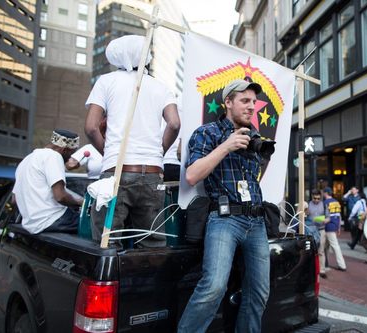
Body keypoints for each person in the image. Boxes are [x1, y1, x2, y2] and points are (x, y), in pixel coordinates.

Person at [178, 79, 269, 332]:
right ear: (228, 102)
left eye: (254, 102)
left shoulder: (254, 137)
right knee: (214, 287)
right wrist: (227, 145)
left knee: (259, 292)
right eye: (245, 101)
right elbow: (192, 176)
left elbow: (254, 180)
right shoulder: (207, 133)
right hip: (224, 219)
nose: (252, 107)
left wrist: (264, 154)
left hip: (257, 221)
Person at [84, 35, 180, 242]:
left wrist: (109, 152)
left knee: (108, 242)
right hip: (153, 174)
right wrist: (159, 152)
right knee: (152, 243)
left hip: (117, 173)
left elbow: (91, 127)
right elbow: (174, 124)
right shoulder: (161, 87)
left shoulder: (106, 82)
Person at [12, 130, 83, 234]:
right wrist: (81, 202)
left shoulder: (26, 160)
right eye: (71, 153)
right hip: (54, 219)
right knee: (95, 225)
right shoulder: (54, 156)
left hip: (31, 226)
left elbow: (14, 200)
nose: (69, 158)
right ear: (64, 149)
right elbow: (60, 196)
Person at [320, 187, 347, 277]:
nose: (323, 194)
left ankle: (342, 265)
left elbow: (325, 216)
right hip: (334, 225)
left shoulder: (325, 203)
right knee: (326, 246)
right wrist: (338, 227)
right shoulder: (336, 202)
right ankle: (326, 263)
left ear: (326, 193)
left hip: (328, 226)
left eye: (323, 193)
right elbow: (339, 216)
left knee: (333, 246)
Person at [308, 189, 327, 277]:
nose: (316, 200)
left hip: (321, 229)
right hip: (311, 230)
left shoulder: (324, 204)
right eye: (315, 198)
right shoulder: (308, 204)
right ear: (312, 196)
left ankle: (322, 270)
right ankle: (312, 269)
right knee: (311, 251)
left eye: (318, 198)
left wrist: (321, 219)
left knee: (321, 250)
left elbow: (328, 218)